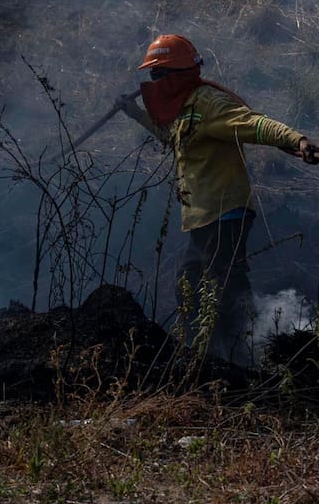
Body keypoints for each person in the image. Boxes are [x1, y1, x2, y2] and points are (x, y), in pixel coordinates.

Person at [115, 33, 317, 357]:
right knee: (190, 285)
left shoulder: (209, 102)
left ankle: (250, 352)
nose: (152, 82)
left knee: (224, 285)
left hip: (227, 211)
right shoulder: (183, 109)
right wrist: (135, 113)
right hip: (202, 216)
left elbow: (253, 123)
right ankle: (210, 355)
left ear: (174, 75)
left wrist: (298, 140)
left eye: (157, 74)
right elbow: (173, 138)